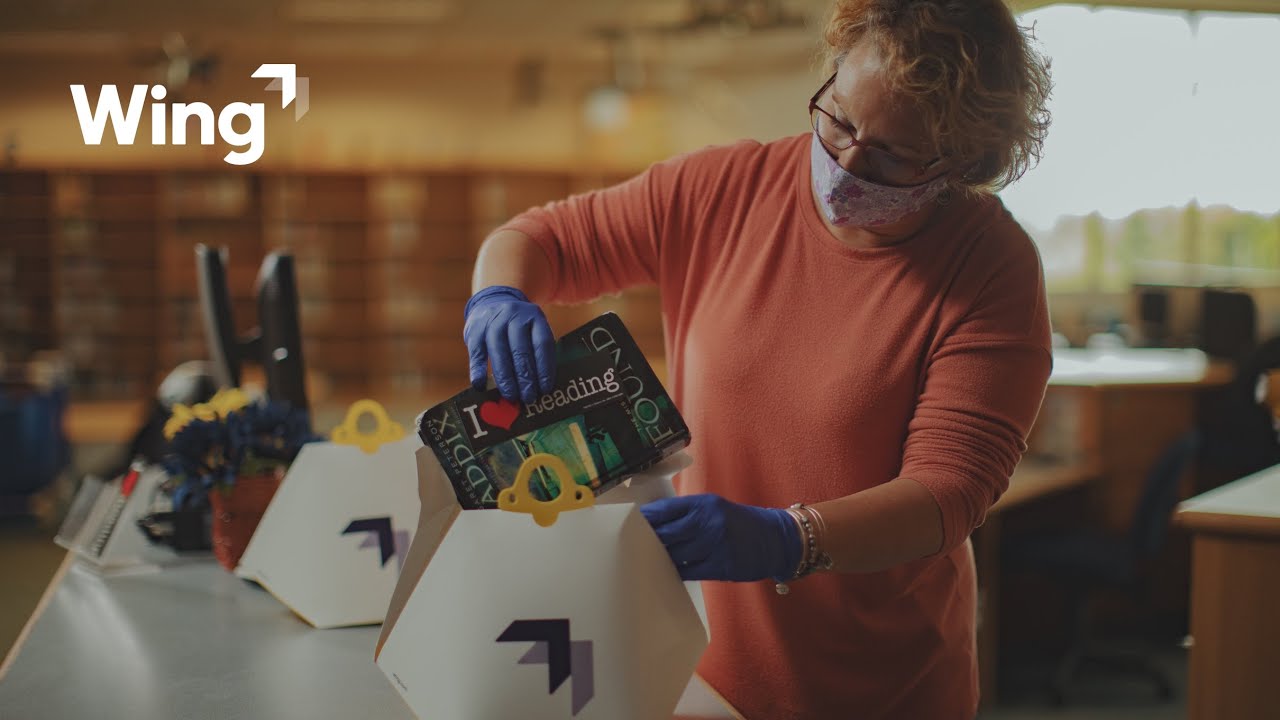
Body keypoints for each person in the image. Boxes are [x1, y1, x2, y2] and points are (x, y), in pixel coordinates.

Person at [461, 0, 1053, 716]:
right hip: (699, 673)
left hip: (879, 685)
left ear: (963, 161)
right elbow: (540, 238)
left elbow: (948, 492)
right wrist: (498, 293)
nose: (847, 162)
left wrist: (788, 538)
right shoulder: (725, 191)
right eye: (838, 118)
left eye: (894, 153)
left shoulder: (990, 268)